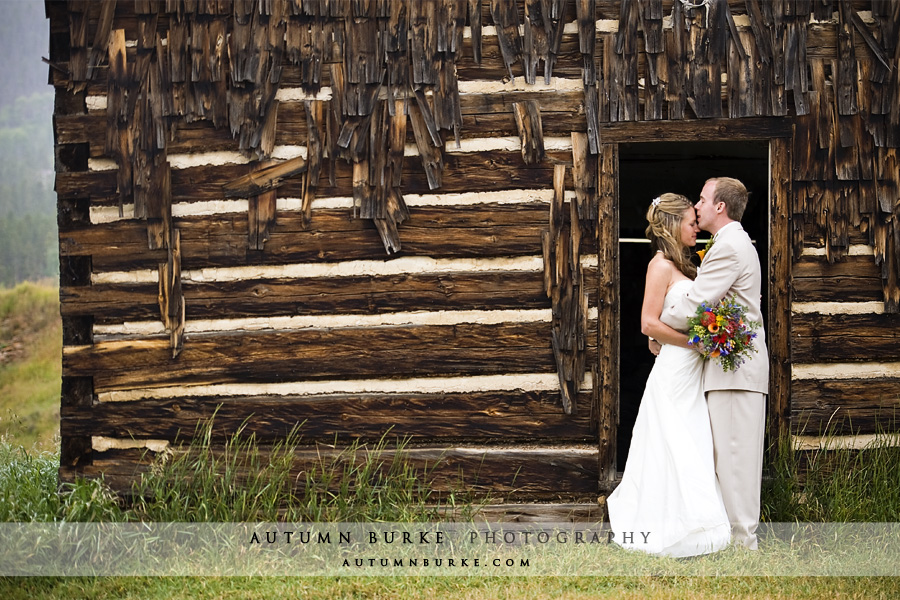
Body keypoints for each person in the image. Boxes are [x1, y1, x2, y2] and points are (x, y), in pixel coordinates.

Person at [607, 193, 731, 558]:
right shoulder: (660, 265)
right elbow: (648, 321)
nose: (697, 227)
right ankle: (671, 524)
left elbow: (663, 324)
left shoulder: (686, 266)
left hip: (689, 368)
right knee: (673, 439)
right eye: (692, 222)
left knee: (692, 438)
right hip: (676, 370)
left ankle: (696, 520)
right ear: (675, 224)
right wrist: (694, 343)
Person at [660, 177, 769, 550]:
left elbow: (696, 304)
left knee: (736, 459)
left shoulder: (730, 246)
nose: (698, 207)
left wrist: (660, 319)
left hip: (737, 371)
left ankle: (743, 544)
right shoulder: (729, 243)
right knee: (726, 457)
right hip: (727, 370)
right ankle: (728, 540)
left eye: (703, 200)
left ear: (720, 206)